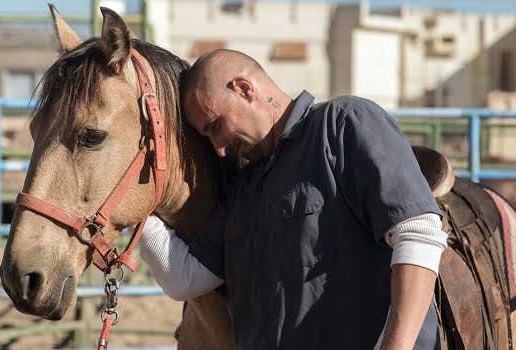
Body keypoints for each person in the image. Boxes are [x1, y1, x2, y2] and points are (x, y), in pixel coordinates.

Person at [137, 49, 448, 349]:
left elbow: (418, 233)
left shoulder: (340, 123)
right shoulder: (244, 188)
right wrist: (138, 203)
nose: (218, 147)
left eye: (216, 125)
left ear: (245, 89)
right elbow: (184, 279)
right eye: (208, 137)